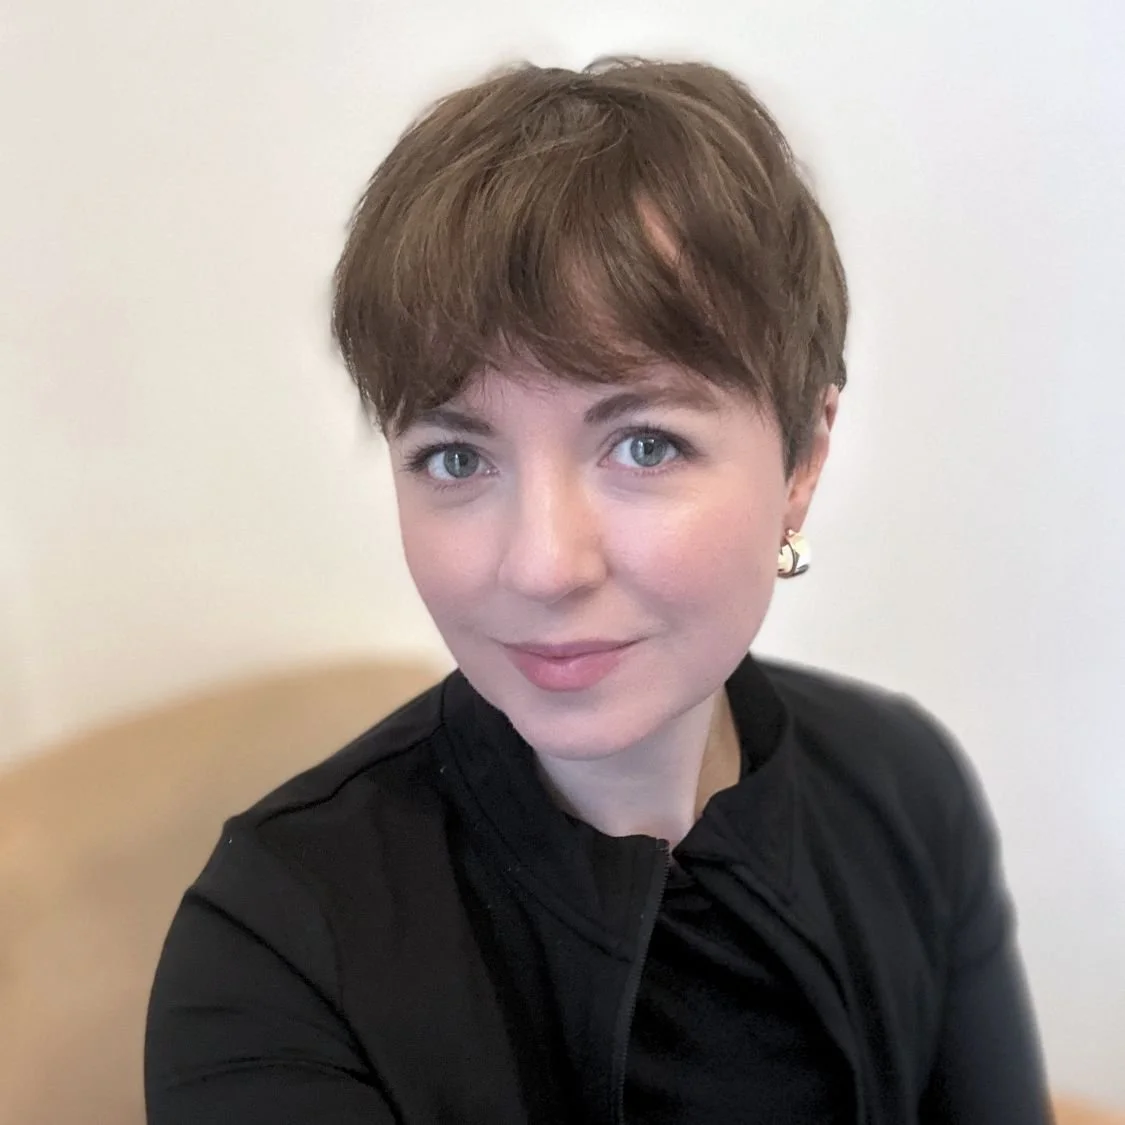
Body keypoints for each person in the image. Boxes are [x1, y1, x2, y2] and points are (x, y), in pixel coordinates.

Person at [144, 57, 1053, 1123]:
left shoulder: (902, 786)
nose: (542, 565)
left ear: (802, 458)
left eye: (645, 444)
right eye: (456, 457)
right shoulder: (274, 950)